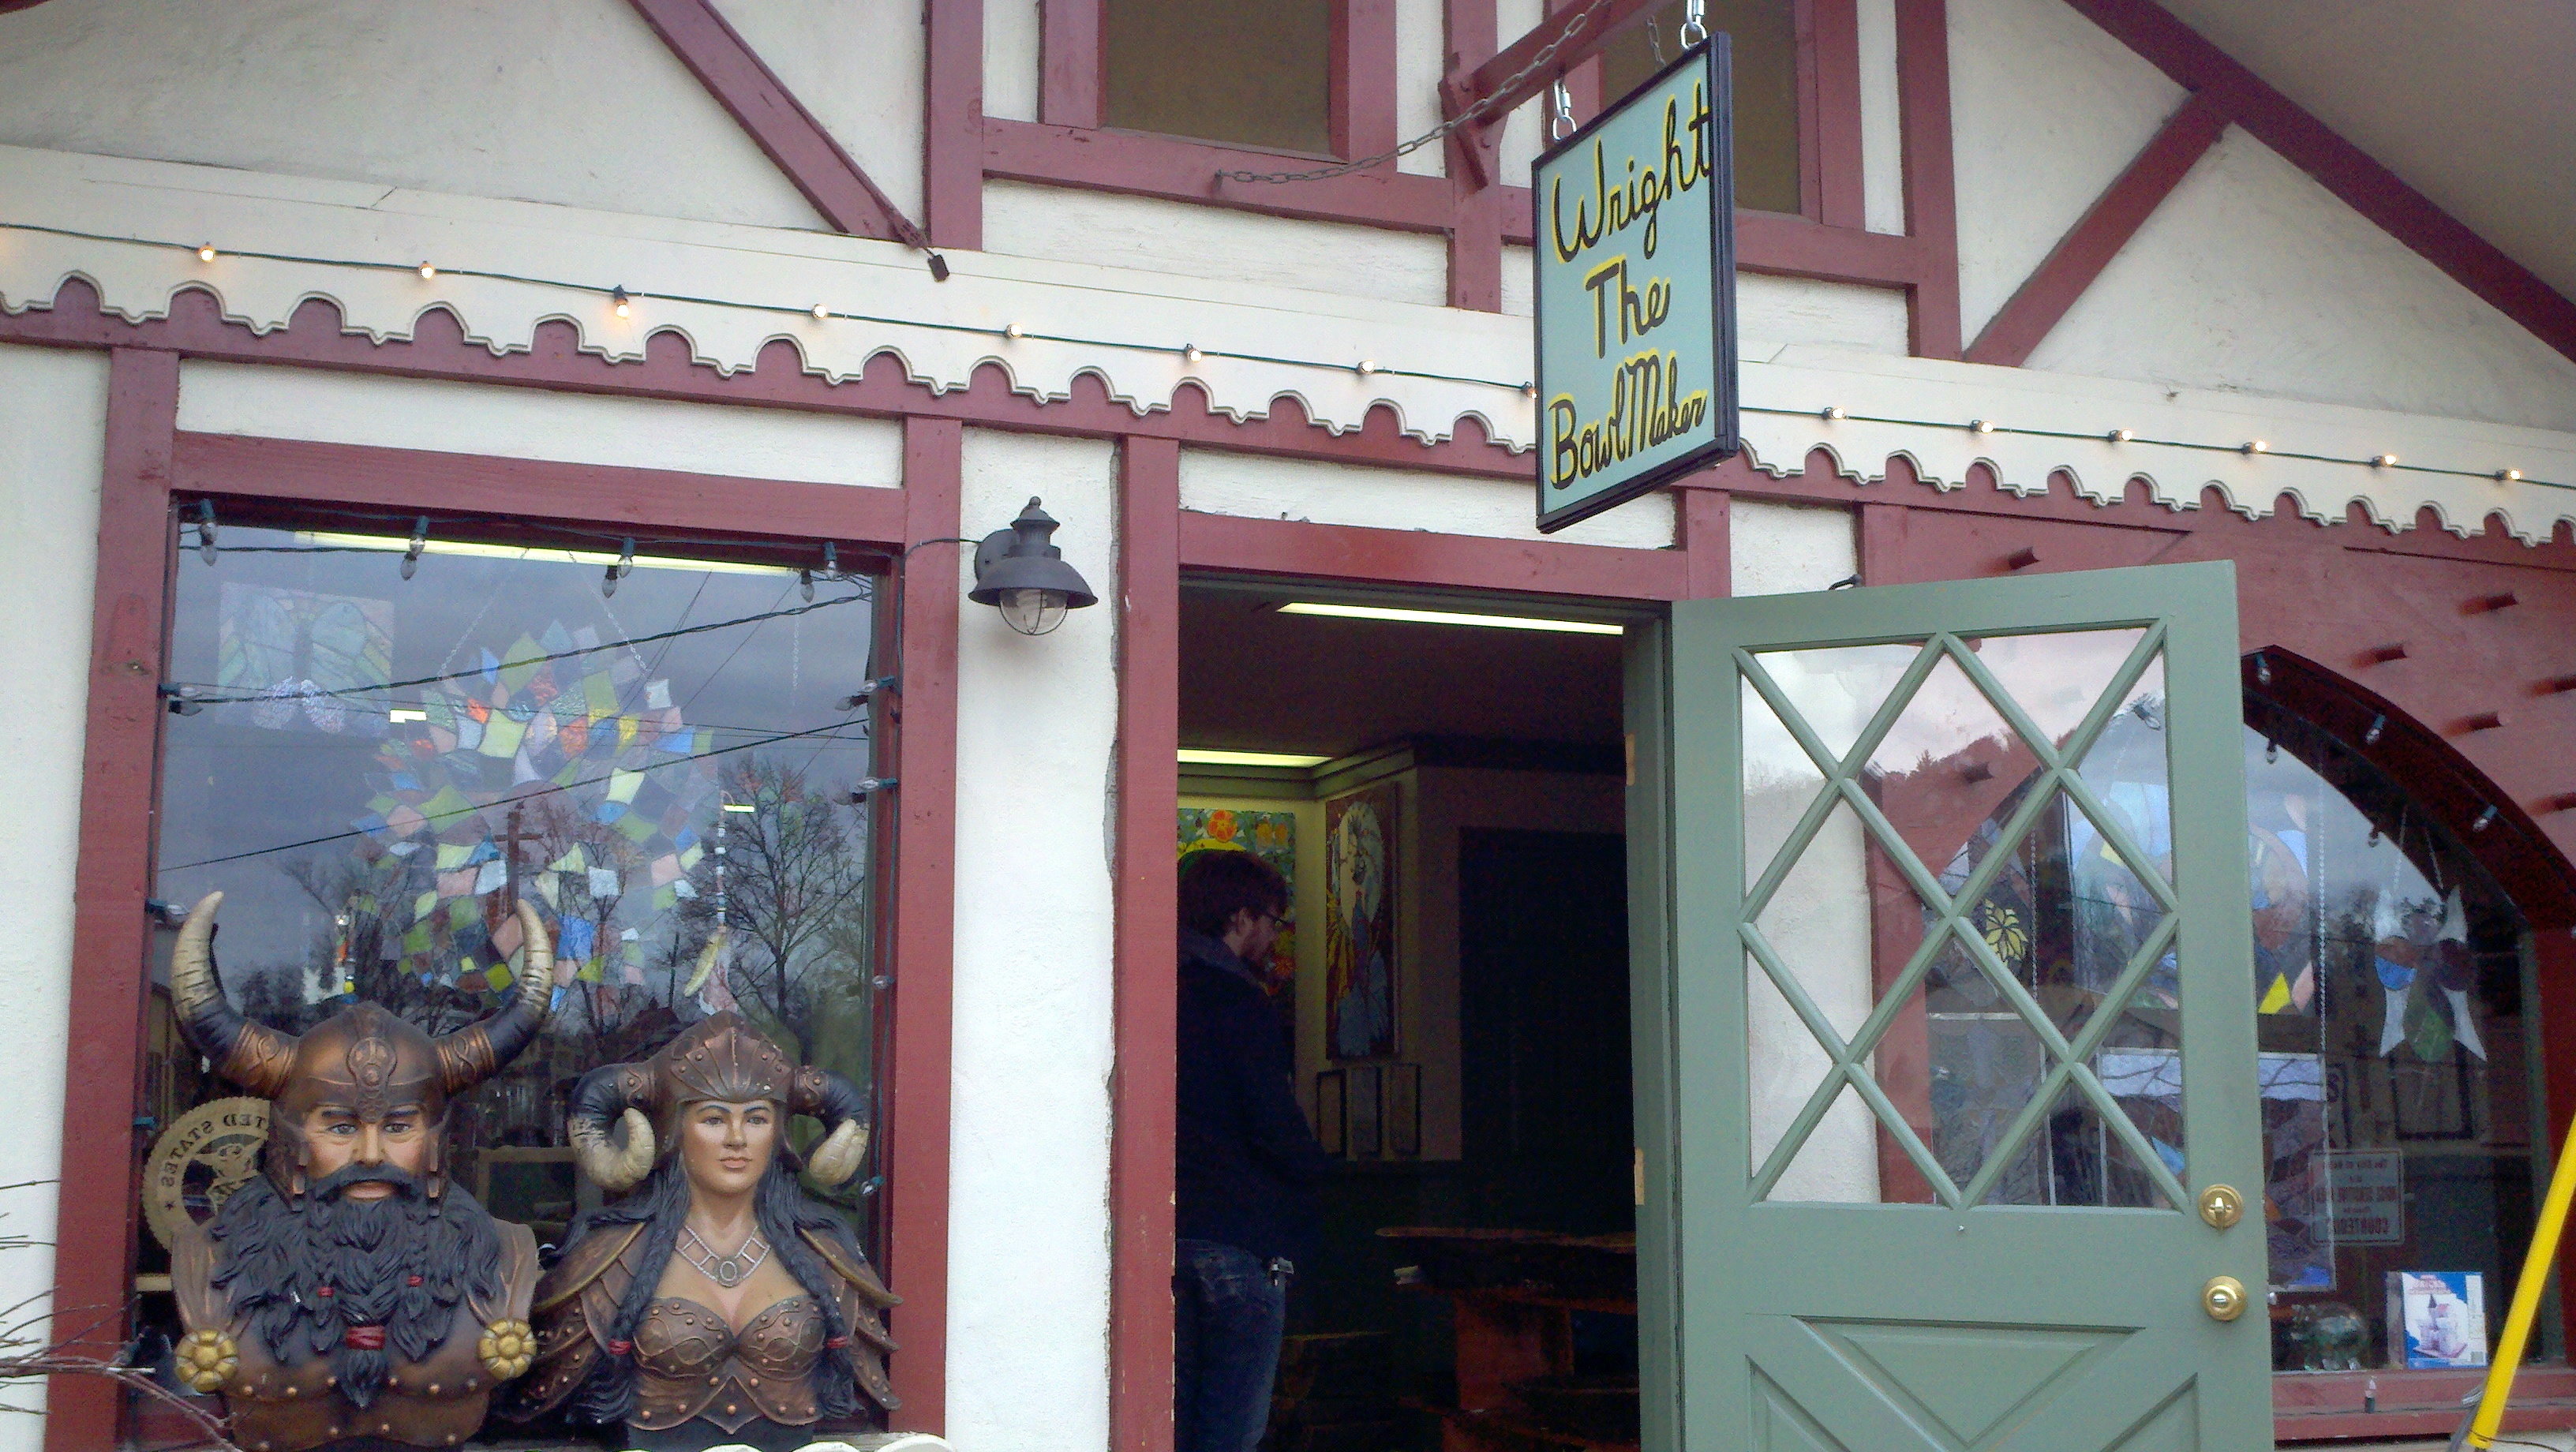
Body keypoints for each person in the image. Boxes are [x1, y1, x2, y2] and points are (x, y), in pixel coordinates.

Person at [162, 891, 550, 1452]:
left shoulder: (504, 1256)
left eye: (399, 1127)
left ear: (437, 1139)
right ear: (289, 1138)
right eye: (341, 1127)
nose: (371, 1154)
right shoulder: (209, 1259)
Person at [500, 1012, 898, 1452]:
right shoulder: (609, 1258)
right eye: (713, 1119)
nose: (736, 1138)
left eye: (757, 1119)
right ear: (674, 1131)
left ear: (779, 1134)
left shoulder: (826, 1254)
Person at [1175, 848, 1333, 1452]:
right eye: (1272, 920)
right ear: (1240, 918)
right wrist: (1317, 1172)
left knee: (1174, 1423)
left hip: (1169, 1233)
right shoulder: (1239, 1001)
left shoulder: (1157, 988)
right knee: (1232, 1430)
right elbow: (1270, 1120)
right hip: (1240, 1238)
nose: (1273, 936)